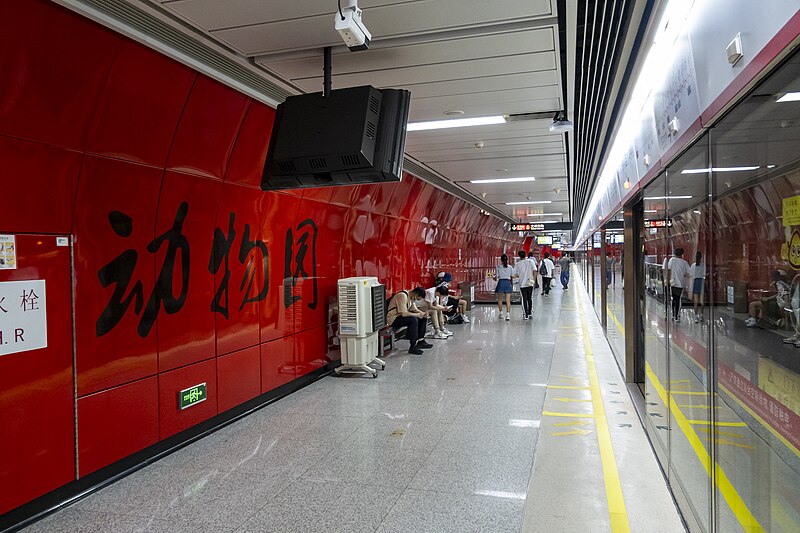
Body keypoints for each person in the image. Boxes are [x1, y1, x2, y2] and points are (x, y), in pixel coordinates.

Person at [386, 287, 433, 355]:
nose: (416, 300)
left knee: (422, 318)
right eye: (417, 298)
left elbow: (415, 309)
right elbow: (404, 313)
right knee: (413, 320)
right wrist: (418, 315)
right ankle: (413, 346)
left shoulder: (411, 298)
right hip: (393, 318)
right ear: (416, 294)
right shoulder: (402, 296)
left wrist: (423, 314)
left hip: (400, 317)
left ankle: (421, 341)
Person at [666, 247, 691, 323]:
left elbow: (669, 270)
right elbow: (689, 273)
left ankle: (673, 315)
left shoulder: (671, 260)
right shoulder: (684, 263)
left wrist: (668, 281)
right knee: (678, 299)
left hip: (673, 283)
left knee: (674, 299)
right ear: (682, 254)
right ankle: (677, 316)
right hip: (680, 284)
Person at [513, 250, 535, 319]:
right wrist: (533, 280)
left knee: (524, 298)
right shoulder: (530, 261)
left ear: (519, 256)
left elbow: (514, 274)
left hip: (522, 283)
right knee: (530, 298)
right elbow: (535, 270)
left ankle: (525, 314)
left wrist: (519, 276)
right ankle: (530, 312)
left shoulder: (517, 264)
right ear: (525, 255)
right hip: (530, 282)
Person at [494, 254, 514, 320]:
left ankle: (501, 314)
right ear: (507, 260)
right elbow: (512, 276)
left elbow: (496, 277)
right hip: (507, 283)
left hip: (501, 283)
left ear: (501, 260)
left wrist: (494, 278)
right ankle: (508, 315)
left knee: (500, 299)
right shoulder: (510, 267)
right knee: (507, 300)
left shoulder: (498, 267)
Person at [690, 252, 706, 323]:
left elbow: (691, 275)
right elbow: (704, 274)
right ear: (701, 257)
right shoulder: (703, 265)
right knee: (702, 301)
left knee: (696, 301)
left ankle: (696, 317)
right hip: (702, 282)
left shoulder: (693, 265)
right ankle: (701, 315)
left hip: (695, 282)